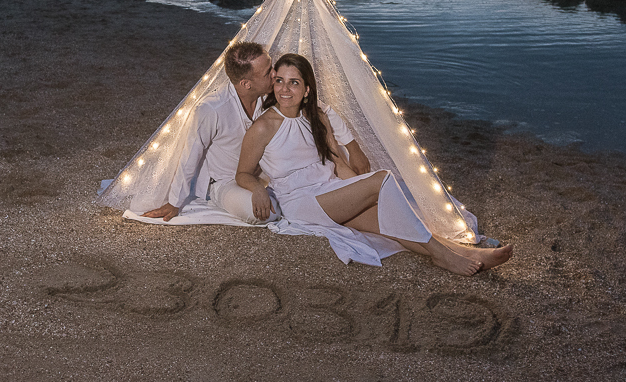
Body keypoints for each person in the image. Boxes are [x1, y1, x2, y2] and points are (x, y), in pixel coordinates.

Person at [236, 53, 512, 275]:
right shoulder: (263, 127)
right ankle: (443, 258)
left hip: (328, 191)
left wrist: (355, 188)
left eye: (294, 82)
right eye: (280, 81)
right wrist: (259, 189)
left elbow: (335, 162)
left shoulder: (317, 117)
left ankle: (465, 252)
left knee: (390, 220)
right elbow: (243, 173)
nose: (285, 89)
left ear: (307, 89)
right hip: (300, 202)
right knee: (381, 180)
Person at [144, 42, 370, 224]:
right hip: (226, 181)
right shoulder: (211, 109)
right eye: (267, 72)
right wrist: (174, 202)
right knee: (266, 214)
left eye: (271, 67)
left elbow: (323, 110)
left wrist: (353, 148)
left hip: (268, 178)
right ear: (246, 84)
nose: (275, 75)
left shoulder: (271, 94)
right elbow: (189, 156)